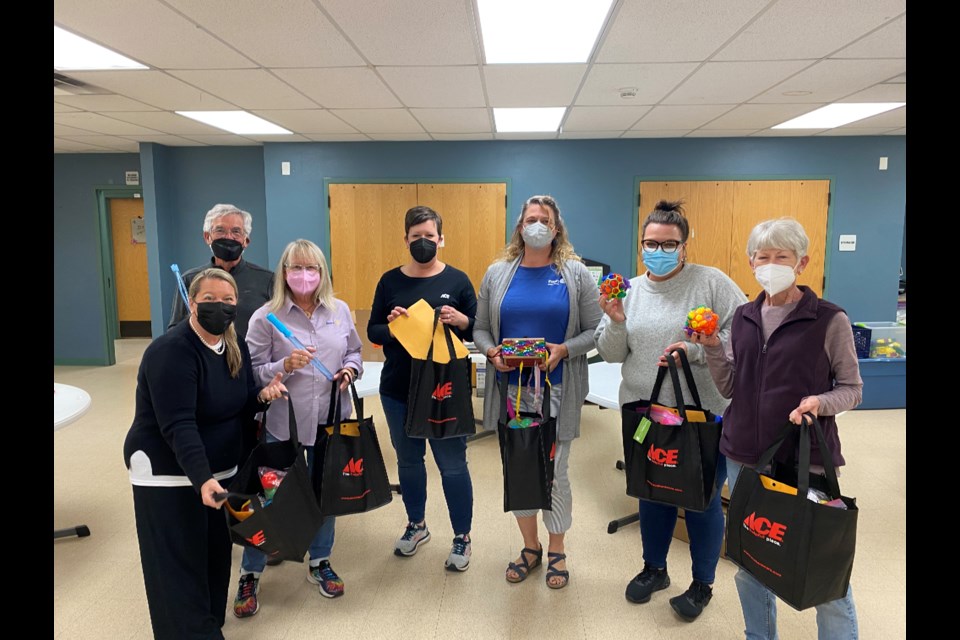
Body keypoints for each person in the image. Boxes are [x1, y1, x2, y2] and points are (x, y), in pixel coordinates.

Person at [688, 217, 862, 639]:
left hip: (804, 462)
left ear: (801, 263)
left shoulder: (828, 319)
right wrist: (711, 348)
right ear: (751, 262)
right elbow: (730, 385)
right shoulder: (744, 317)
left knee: (820, 566)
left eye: (781, 256)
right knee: (751, 561)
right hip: (743, 456)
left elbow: (852, 389)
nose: (770, 264)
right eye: (762, 257)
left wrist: (820, 403)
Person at [594, 199, 747, 621]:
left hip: (701, 417)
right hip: (645, 415)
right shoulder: (629, 289)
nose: (657, 250)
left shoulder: (711, 283)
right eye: (649, 242)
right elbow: (609, 352)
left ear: (684, 246)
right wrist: (617, 319)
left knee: (702, 500)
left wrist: (698, 349)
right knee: (651, 495)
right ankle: (654, 569)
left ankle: (702, 583)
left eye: (668, 243)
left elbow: (743, 334)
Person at [123, 268, 286, 640]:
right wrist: (202, 477)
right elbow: (178, 424)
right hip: (169, 474)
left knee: (213, 558)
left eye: (228, 301)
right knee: (178, 565)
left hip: (217, 474)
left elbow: (240, 402)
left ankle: (210, 624)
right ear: (191, 304)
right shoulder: (171, 351)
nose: (220, 307)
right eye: (209, 300)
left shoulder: (233, 344)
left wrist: (263, 396)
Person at [473, 194, 602, 590]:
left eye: (545, 219)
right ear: (520, 227)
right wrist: (491, 351)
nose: (538, 225)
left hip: (556, 389)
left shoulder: (575, 274)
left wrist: (564, 349)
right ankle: (530, 547)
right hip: (510, 389)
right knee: (519, 466)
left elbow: (594, 330)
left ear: (557, 228)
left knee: (556, 473)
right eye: (531, 218)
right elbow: (480, 328)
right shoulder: (497, 273)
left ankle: (557, 548)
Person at [233, 239, 364, 617]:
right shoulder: (265, 317)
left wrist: (349, 370)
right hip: (281, 424)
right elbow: (252, 375)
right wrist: (283, 367)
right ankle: (250, 573)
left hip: (329, 420)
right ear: (284, 272)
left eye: (311, 268)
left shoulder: (339, 311)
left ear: (322, 273)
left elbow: (353, 351)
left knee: (327, 495)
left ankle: (319, 561)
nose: (303, 275)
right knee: (269, 499)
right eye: (296, 268)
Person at [367, 205, 478, 571]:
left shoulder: (458, 281)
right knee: (409, 463)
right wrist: (393, 324)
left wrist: (462, 319)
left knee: (452, 465)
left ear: (441, 239)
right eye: (416, 237)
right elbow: (373, 332)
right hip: (399, 390)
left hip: (444, 391)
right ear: (406, 240)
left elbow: (477, 328)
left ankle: (462, 537)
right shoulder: (389, 281)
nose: (423, 242)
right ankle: (417, 525)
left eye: (430, 236)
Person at [168, 203, 274, 338]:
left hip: (253, 358)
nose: (228, 237)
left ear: (246, 240)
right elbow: (175, 330)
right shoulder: (190, 279)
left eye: (236, 231)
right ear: (207, 237)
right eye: (220, 230)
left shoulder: (267, 280)